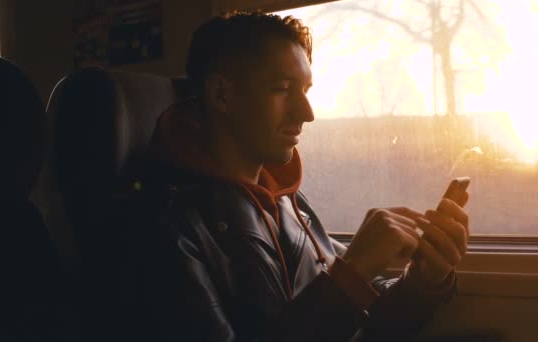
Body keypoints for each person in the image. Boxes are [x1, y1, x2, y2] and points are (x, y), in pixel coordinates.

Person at [139, 10, 469, 342]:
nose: (306, 114)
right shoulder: (164, 226)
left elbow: (361, 323)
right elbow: (340, 294)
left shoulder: (288, 204)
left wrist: (426, 278)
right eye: (283, 89)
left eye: (305, 91)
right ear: (222, 95)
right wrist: (351, 271)